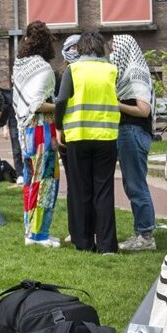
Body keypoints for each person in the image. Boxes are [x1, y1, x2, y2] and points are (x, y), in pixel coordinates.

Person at [55, 32, 120, 254]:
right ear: (101, 48)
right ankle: (107, 245)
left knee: (81, 189)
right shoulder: (112, 70)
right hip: (107, 137)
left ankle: (83, 242)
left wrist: (58, 126)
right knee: (104, 190)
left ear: (81, 49)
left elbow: (62, 99)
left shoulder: (73, 70)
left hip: (78, 135)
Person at [11, 22, 61, 248]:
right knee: (46, 181)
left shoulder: (20, 66)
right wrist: (61, 106)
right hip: (41, 129)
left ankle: (29, 230)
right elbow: (38, 104)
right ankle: (40, 234)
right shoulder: (43, 68)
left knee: (31, 181)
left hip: (25, 130)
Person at [110, 34, 159, 252]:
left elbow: (143, 109)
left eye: (114, 49)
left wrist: (115, 104)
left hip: (133, 131)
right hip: (130, 132)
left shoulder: (135, 73)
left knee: (136, 185)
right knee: (132, 184)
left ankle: (146, 235)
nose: (112, 53)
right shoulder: (130, 72)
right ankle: (140, 232)